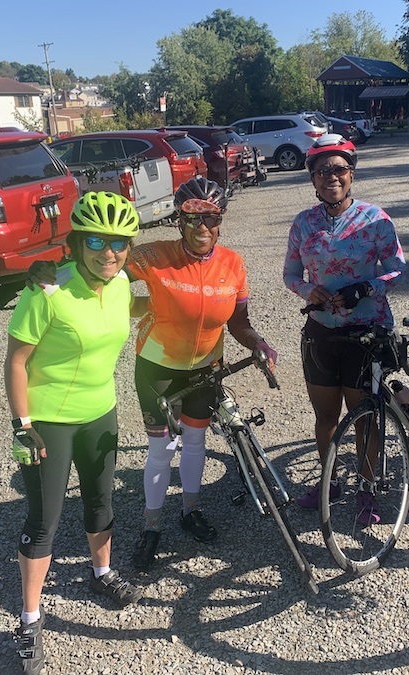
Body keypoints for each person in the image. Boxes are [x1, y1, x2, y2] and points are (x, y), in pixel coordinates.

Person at [5, 191, 144, 674]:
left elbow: (140, 304)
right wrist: (22, 426)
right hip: (48, 419)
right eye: (97, 240)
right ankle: (28, 620)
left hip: (100, 411)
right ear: (77, 241)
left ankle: (101, 573)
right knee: (44, 519)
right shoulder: (46, 290)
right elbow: (16, 362)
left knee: (102, 502)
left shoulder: (123, 282)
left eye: (120, 243)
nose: (109, 252)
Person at [127, 176, 276, 572]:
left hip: (206, 369)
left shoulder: (233, 264)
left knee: (194, 444)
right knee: (161, 450)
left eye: (211, 218)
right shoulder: (153, 256)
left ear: (220, 218)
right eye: (192, 219)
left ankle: (189, 511)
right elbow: (101, 274)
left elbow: (240, 323)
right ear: (179, 220)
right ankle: (151, 526)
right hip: (157, 369)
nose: (202, 228)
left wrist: (258, 343)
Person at [283, 134, 406, 524]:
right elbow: (290, 273)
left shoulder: (375, 218)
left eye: (339, 169)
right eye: (322, 171)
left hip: (365, 331)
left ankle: (366, 489)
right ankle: (330, 482)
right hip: (322, 329)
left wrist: (368, 287)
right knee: (325, 416)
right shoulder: (303, 223)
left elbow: (397, 266)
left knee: (364, 416)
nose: (331, 177)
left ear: (351, 174)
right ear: (313, 179)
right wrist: (308, 289)